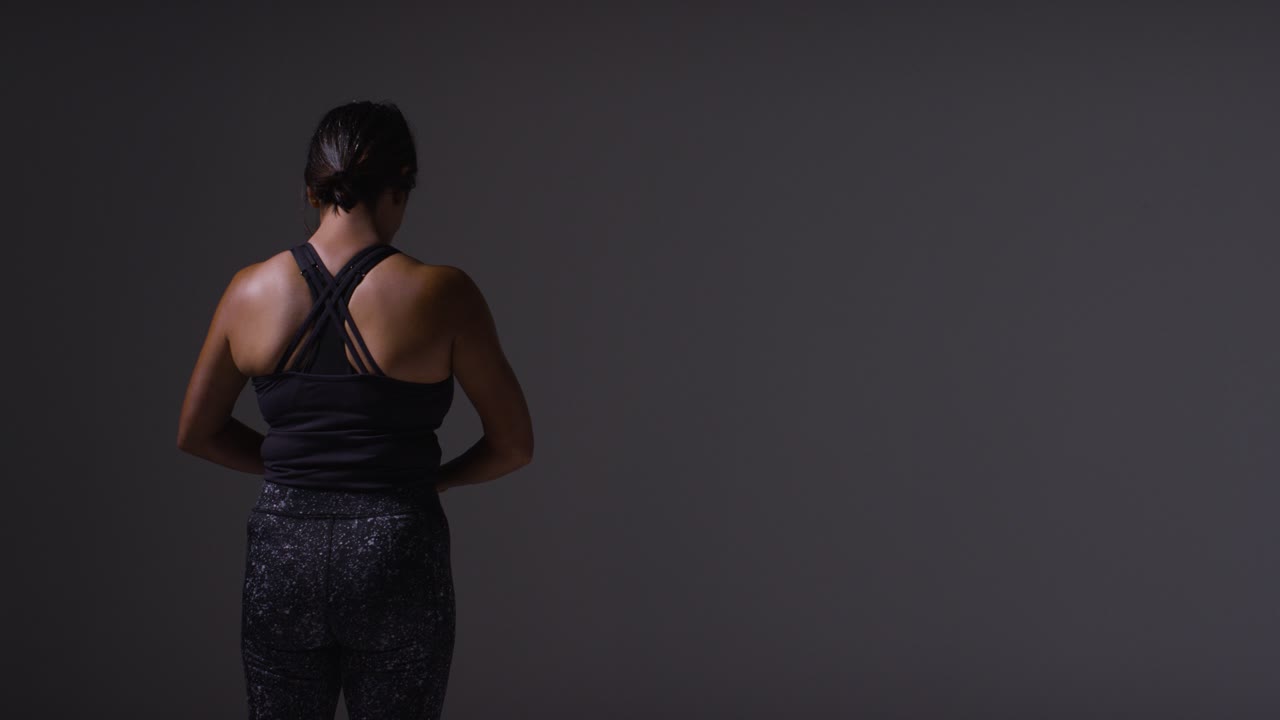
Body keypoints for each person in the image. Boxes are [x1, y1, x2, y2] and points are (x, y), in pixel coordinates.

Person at [176, 100, 534, 719]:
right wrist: (429, 481)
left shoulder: (249, 291)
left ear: (311, 190)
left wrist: (298, 474)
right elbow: (514, 444)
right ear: (402, 187)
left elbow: (197, 432)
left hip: (282, 550)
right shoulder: (442, 293)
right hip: (396, 546)